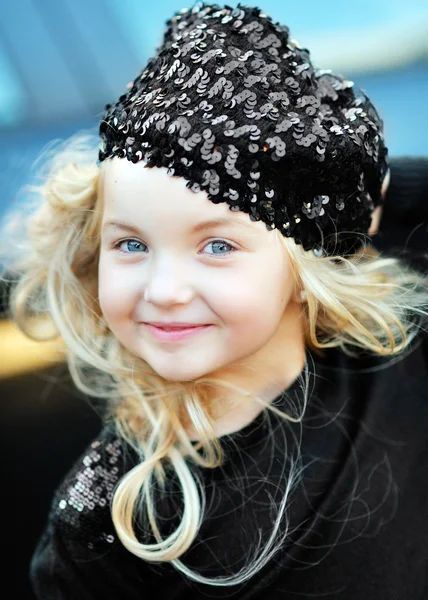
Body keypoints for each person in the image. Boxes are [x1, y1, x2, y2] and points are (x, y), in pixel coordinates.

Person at [1, 2, 428, 598]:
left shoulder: (390, 354)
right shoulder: (108, 522)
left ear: (306, 265)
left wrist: (364, 192)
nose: (165, 290)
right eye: (130, 244)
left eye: (218, 246)